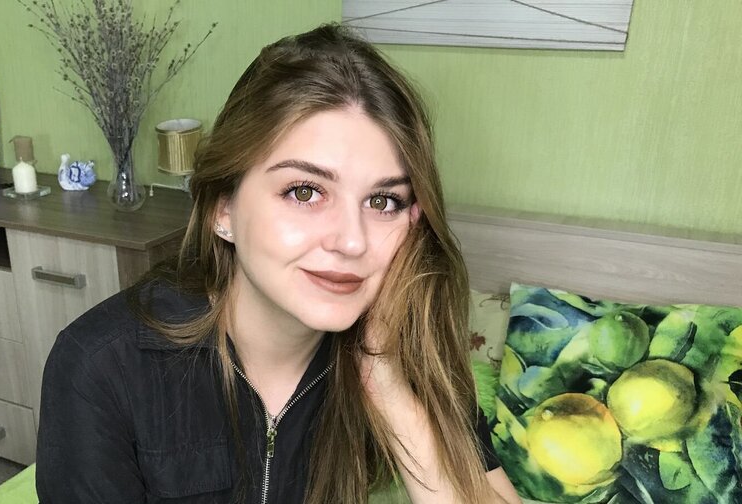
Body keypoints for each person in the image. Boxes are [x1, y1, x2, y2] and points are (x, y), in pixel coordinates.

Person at [36, 23, 522, 504]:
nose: (352, 242)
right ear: (223, 209)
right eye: (305, 192)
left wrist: (389, 386)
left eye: (383, 202)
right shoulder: (102, 366)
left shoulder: (413, 348)